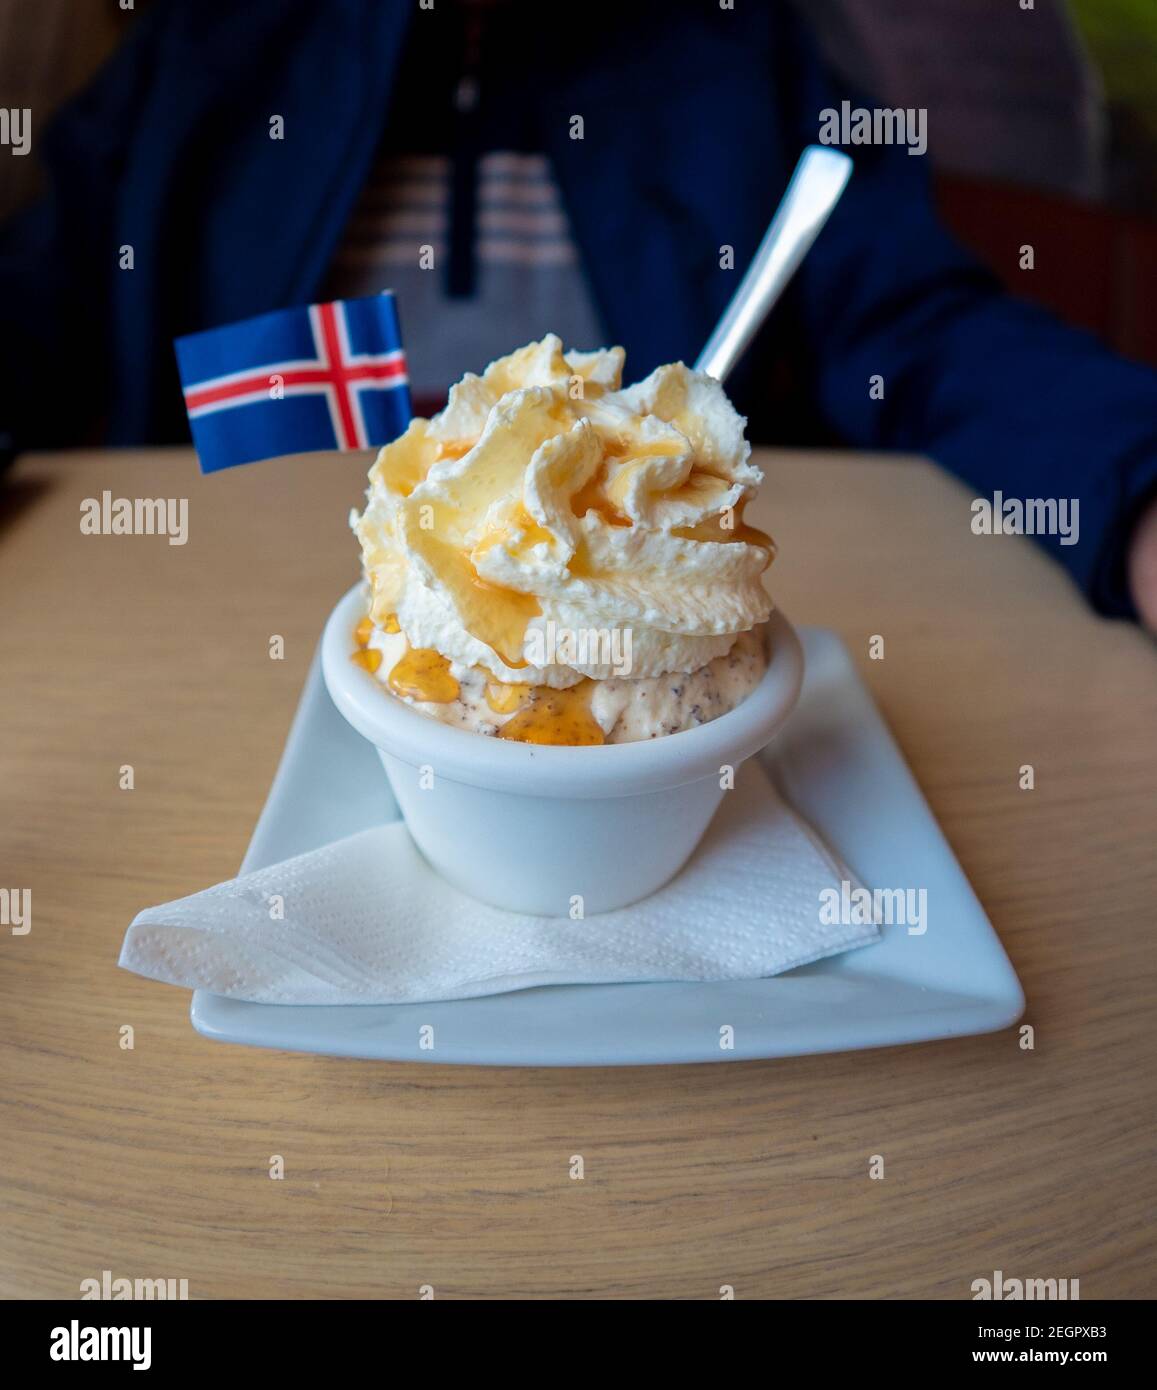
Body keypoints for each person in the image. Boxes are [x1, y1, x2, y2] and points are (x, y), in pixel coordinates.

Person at [2, 0, 1156, 627]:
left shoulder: (733, 56)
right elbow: (42, 310)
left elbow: (922, 332)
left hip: (624, 649)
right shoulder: (202, 55)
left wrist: (1131, 485)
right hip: (203, 632)